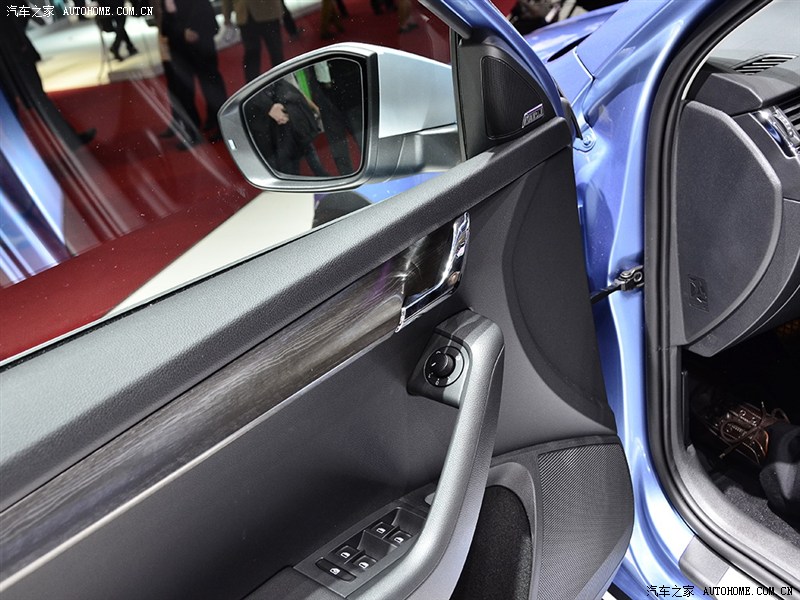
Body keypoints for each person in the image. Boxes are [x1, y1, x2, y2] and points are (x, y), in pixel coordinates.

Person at [161, 0, 228, 149]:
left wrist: (193, 30)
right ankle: (192, 131)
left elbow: (204, 12)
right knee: (184, 91)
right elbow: (165, 26)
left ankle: (220, 124)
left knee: (211, 84)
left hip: (201, 41)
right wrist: (181, 32)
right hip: (179, 47)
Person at [246, 77, 328, 176]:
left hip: (291, 125)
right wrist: (270, 107)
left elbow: (294, 91)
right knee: (289, 167)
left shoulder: (278, 82)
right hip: (275, 133)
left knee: (307, 156)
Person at [222, 0, 284, 83]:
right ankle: (253, 85)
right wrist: (226, 17)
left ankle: (281, 80)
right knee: (251, 53)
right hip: (245, 15)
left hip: (268, 12)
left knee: (275, 50)